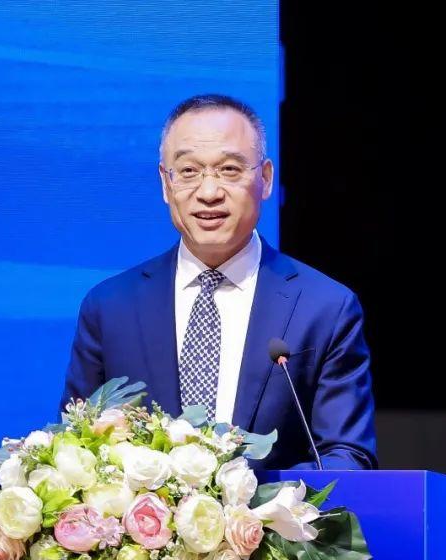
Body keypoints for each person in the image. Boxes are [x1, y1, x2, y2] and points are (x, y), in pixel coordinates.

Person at [61, 94, 376, 470]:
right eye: (188, 171)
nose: (209, 193)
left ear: (265, 179)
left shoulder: (324, 308)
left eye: (229, 170)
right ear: (165, 183)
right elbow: (75, 450)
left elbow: (349, 457)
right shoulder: (110, 307)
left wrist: (246, 497)